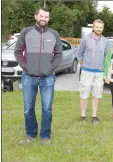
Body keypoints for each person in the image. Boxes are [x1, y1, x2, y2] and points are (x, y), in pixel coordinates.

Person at [14, 7, 63, 145]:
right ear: (36, 16)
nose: (43, 19)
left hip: (48, 78)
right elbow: (18, 52)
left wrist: (51, 68)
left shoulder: (54, 34)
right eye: (41, 16)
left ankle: (45, 136)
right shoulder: (26, 32)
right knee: (28, 108)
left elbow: (59, 54)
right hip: (29, 77)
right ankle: (30, 135)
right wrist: (26, 67)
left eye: (46, 17)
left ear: (49, 19)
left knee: (47, 108)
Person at [77, 19, 110, 124]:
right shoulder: (85, 39)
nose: (99, 29)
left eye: (101, 27)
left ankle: (94, 116)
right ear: (93, 28)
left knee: (97, 94)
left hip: (99, 72)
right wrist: (84, 65)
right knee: (84, 93)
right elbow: (79, 54)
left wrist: (105, 71)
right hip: (87, 71)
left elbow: (107, 57)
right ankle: (83, 116)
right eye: (97, 27)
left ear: (103, 29)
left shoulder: (105, 41)